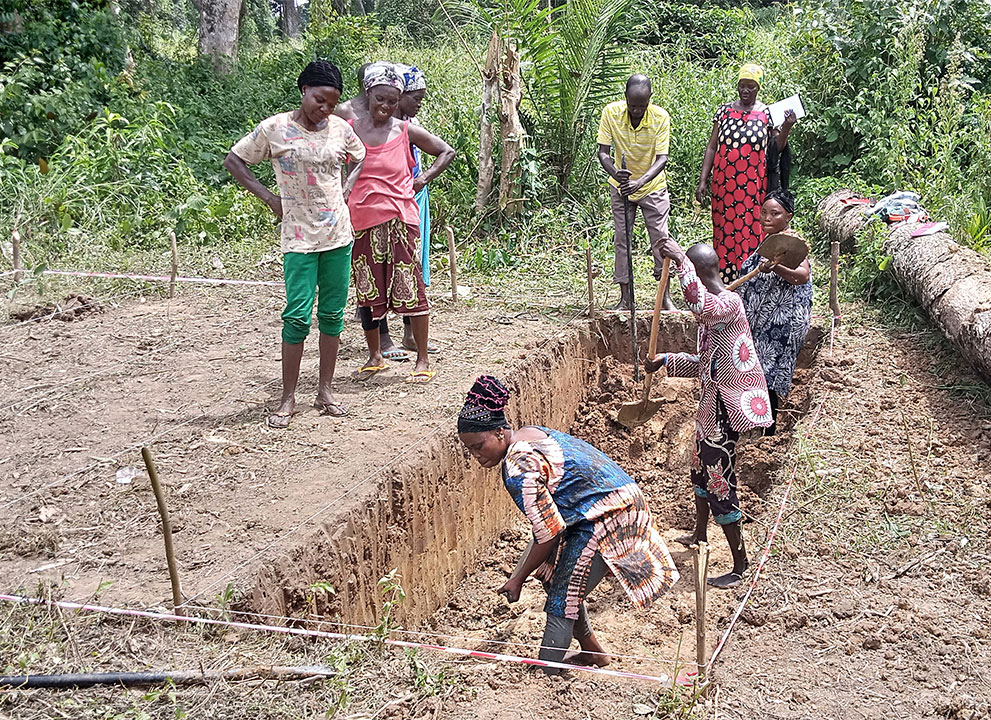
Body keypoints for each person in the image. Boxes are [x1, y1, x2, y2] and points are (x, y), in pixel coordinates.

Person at [457, 375, 678, 673]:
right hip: (602, 505)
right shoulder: (526, 434)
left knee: (563, 595)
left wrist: (518, 578)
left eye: (478, 445)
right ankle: (593, 653)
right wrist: (520, 572)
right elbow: (546, 529)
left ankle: (546, 672)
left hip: (609, 514)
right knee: (553, 576)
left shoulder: (517, 468)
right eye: (470, 449)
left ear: (498, 432)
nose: (476, 455)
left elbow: (548, 534)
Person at [225, 59, 365, 428]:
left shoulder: (339, 129)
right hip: (299, 237)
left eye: (332, 104)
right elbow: (235, 160)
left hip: (338, 236)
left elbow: (359, 157)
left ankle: (325, 390)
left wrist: (347, 188)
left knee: (332, 315)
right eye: (319, 100)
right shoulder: (275, 129)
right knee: (297, 316)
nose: (325, 109)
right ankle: (287, 398)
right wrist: (269, 198)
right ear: (303, 90)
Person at [646, 239, 773, 588]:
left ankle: (740, 563)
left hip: (727, 413)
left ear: (699, 275)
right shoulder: (714, 314)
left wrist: (679, 260)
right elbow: (706, 364)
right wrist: (666, 360)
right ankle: (700, 534)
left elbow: (700, 305)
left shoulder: (728, 304)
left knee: (719, 484)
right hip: (710, 410)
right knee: (700, 474)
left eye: (689, 276)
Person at [346, 64, 455, 383]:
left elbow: (445, 151)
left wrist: (422, 178)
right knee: (367, 288)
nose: (386, 106)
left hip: (400, 219)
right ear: (368, 94)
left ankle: (421, 360)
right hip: (363, 219)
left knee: (411, 285)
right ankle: (374, 355)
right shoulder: (350, 128)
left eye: (393, 101)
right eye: (380, 99)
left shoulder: (406, 130)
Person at [695, 64, 796, 283]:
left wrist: (786, 127)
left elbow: (776, 149)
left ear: (758, 88)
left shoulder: (767, 114)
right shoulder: (723, 112)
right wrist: (703, 180)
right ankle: (724, 280)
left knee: (751, 229)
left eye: (751, 86)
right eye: (742, 86)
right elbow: (712, 146)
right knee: (724, 231)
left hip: (753, 186)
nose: (745, 91)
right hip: (724, 186)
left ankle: (750, 278)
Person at [596, 74, 675, 311]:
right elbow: (603, 153)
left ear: (650, 99)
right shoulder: (611, 113)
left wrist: (639, 182)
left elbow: (662, 158)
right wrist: (616, 172)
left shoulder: (660, 117)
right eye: (633, 105)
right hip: (621, 186)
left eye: (642, 105)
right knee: (622, 239)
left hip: (651, 185)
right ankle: (626, 297)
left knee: (661, 239)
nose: (638, 110)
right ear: (625, 98)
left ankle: (664, 296)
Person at [736, 189, 812, 434]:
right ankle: (756, 424)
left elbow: (802, 276)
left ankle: (768, 430)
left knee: (768, 373)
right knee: (758, 371)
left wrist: (776, 268)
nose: (767, 218)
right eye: (764, 212)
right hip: (763, 321)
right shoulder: (771, 243)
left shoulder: (792, 244)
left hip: (782, 322)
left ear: (788, 216)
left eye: (775, 213)